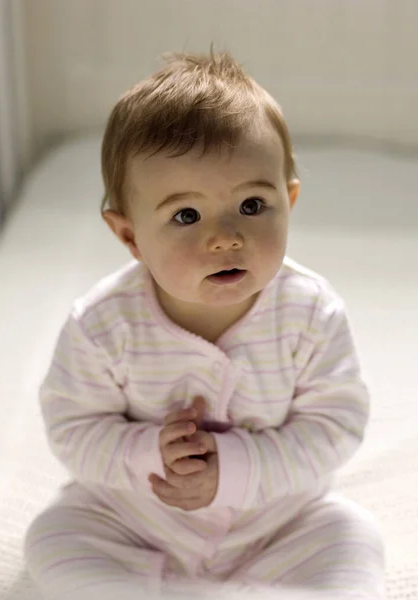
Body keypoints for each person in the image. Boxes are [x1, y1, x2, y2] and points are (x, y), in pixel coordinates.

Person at [24, 49, 385, 599]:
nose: (225, 237)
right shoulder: (102, 324)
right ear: (129, 237)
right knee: (55, 538)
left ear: (289, 200)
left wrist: (238, 468)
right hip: (138, 517)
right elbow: (73, 429)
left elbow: (335, 426)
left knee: (354, 539)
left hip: (275, 519)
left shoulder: (311, 313)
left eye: (253, 205)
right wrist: (148, 453)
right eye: (185, 215)